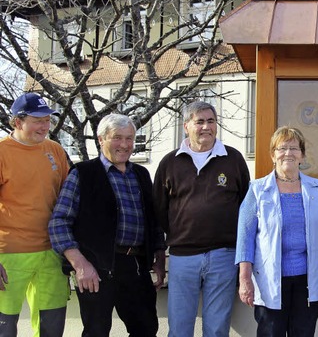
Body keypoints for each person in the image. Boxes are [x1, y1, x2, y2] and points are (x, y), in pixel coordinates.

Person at [48, 113, 166, 336]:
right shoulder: (83, 173)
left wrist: (159, 259)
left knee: (146, 329)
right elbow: (59, 223)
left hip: (137, 267)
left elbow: (154, 222)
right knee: (96, 332)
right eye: (117, 138)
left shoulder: (141, 174)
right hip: (96, 269)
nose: (125, 144)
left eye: (129, 138)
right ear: (101, 139)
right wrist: (80, 265)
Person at [153, 100, 250, 337]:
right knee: (179, 328)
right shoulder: (169, 162)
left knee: (217, 329)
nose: (206, 127)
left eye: (211, 121)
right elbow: (158, 212)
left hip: (224, 256)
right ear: (186, 126)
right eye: (199, 122)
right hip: (182, 257)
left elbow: (247, 209)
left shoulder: (233, 159)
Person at [236, 126, 318, 337]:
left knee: (303, 333)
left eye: (294, 148)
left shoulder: (316, 187)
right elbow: (245, 238)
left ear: (302, 155)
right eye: (281, 148)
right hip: (269, 279)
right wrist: (244, 279)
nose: (288, 153)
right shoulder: (257, 190)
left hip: (308, 279)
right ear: (273, 155)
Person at [0, 92, 70, 337]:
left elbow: (69, 200)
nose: (45, 126)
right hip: (9, 256)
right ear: (18, 122)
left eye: (48, 120)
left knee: (51, 329)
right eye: (38, 120)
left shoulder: (56, 150)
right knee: (4, 330)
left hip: (51, 253)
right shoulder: (1, 152)